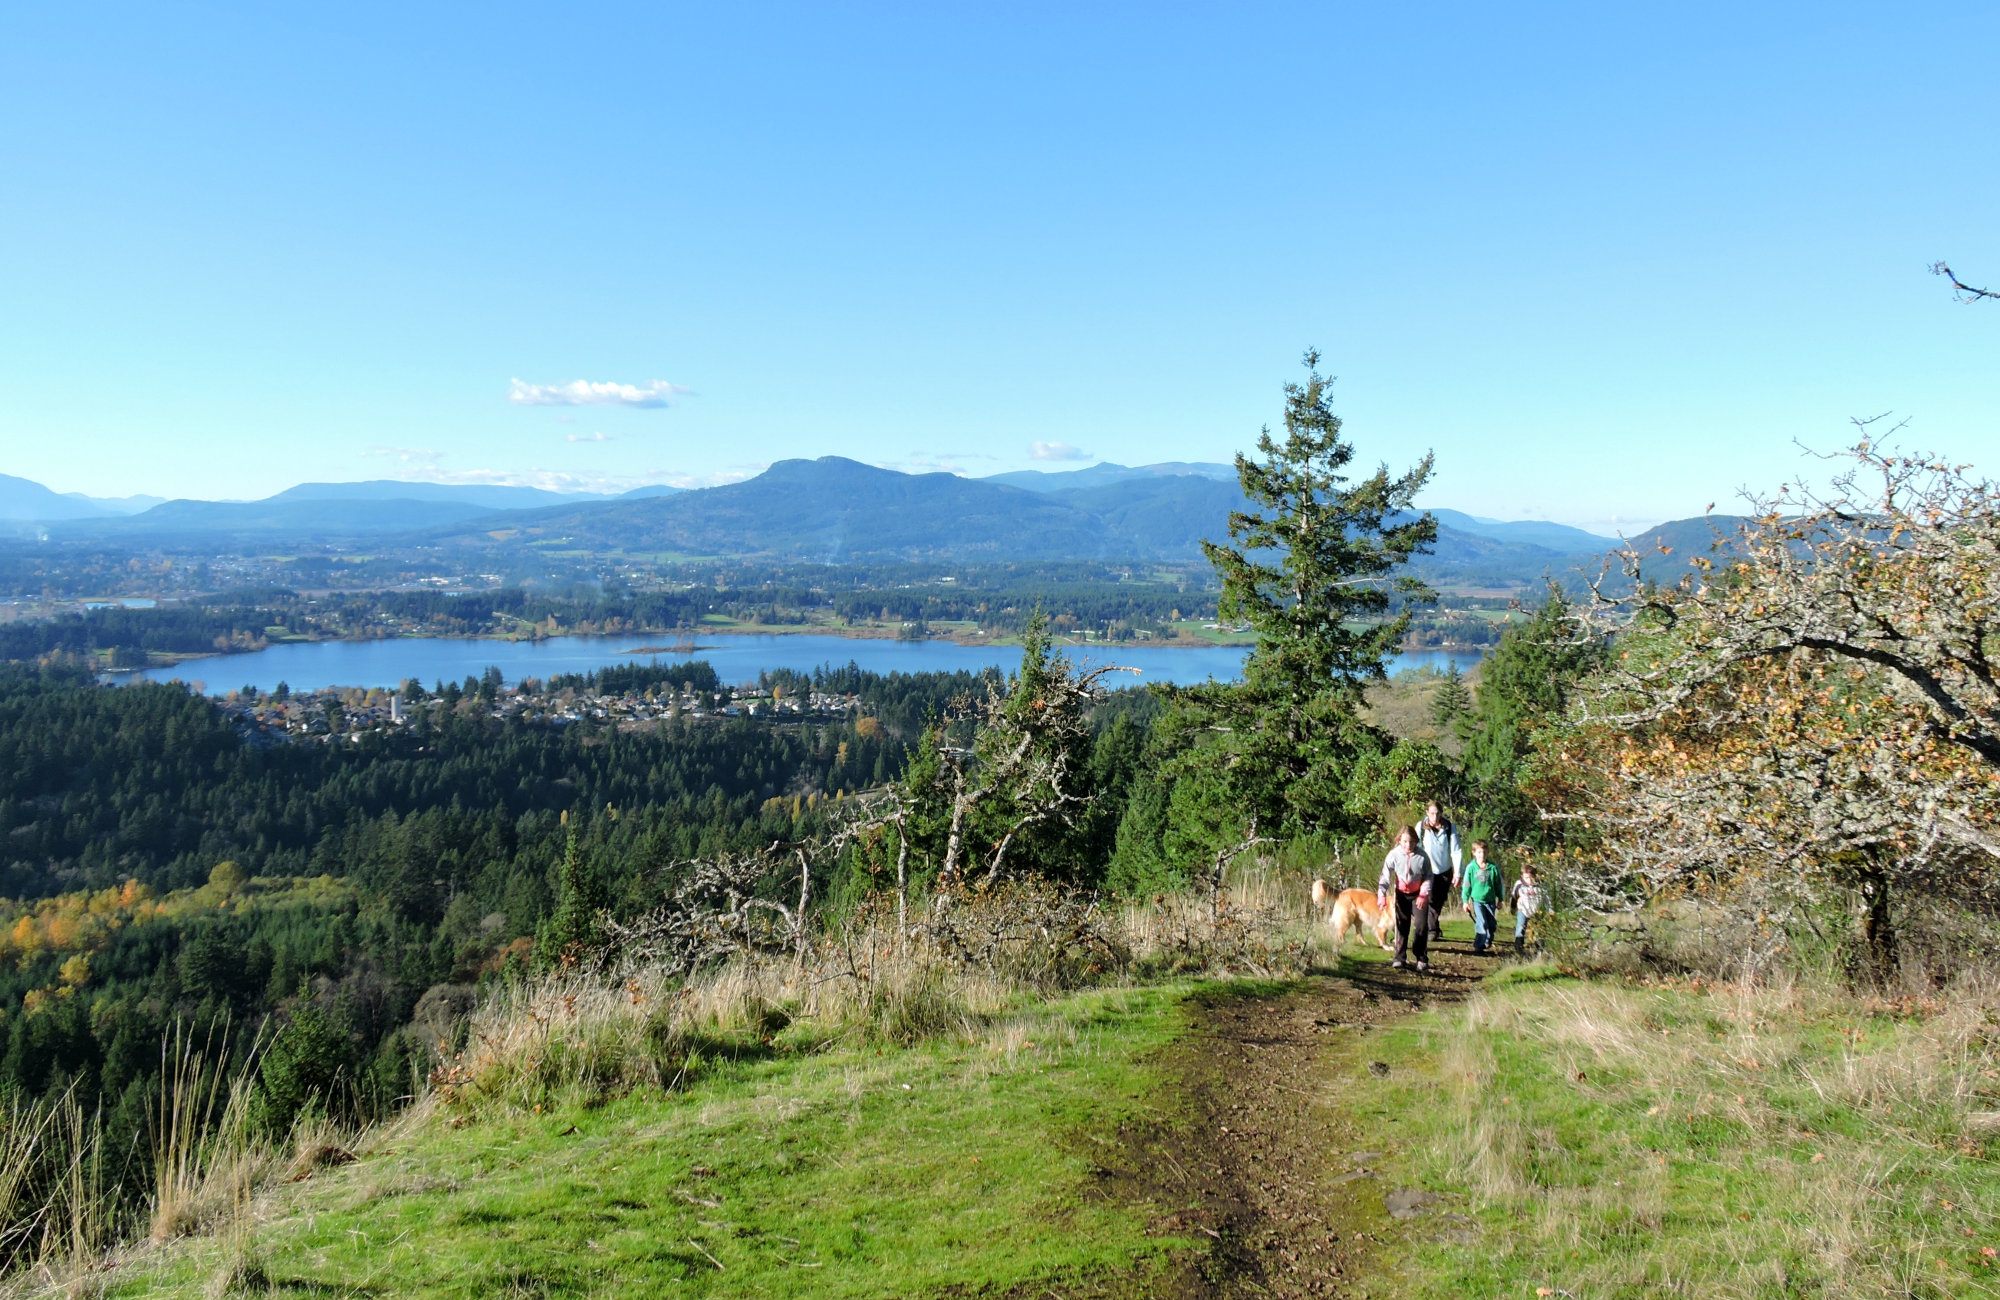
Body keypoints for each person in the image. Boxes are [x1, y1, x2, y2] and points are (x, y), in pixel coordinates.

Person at [1377, 825, 1436, 972]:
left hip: (1418, 895)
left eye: (1411, 842)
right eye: (1404, 841)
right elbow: (1385, 875)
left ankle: (1421, 957)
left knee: (1421, 926)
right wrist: (1381, 894)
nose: (1408, 845)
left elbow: (1429, 876)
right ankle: (1399, 958)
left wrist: (1423, 894)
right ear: (1399, 840)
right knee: (1401, 926)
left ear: (1416, 841)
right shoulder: (1393, 855)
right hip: (1401, 895)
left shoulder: (1422, 856)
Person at [1417, 801, 1462, 941]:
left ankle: (1434, 927)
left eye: (1437, 813)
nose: (1434, 816)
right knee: (1429, 899)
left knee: (1439, 901)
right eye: (1432, 813)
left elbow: (1456, 851)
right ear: (1427, 813)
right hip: (1427, 871)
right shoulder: (1421, 827)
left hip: (1444, 871)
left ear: (1441, 813)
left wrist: (1458, 872)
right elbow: (1416, 847)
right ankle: (1431, 930)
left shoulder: (1449, 827)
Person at [1460, 840, 1504, 955]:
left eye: (1484, 852)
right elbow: (1466, 885)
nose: (1482, 855)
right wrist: (1465, 901)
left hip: (1490, 901)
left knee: (1491, 924)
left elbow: (1498, 884)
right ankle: (1478, 946)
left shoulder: (1492, 868)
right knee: (1482, 922)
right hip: (1477, 901)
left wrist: (1500, 899)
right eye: (1479, 852)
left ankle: (1487, 940)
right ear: (1474, 853)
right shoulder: (1471, 868)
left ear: (1487, 852)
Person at [1509, 862, 1542, 955]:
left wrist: (1549, 910)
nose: (1529, 880)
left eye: (1531, 877)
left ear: (1535, 876)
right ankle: (1518, 947)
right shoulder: (1519, 884)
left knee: (1537, 930)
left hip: (1536, 911)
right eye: (1526, 877)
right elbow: (1514, 896)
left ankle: (1539, 948)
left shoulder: (1540, 886)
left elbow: (1547, 898)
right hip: (1523, 910)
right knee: (1521, 927)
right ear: (1522, 876)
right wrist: (1513, 907)